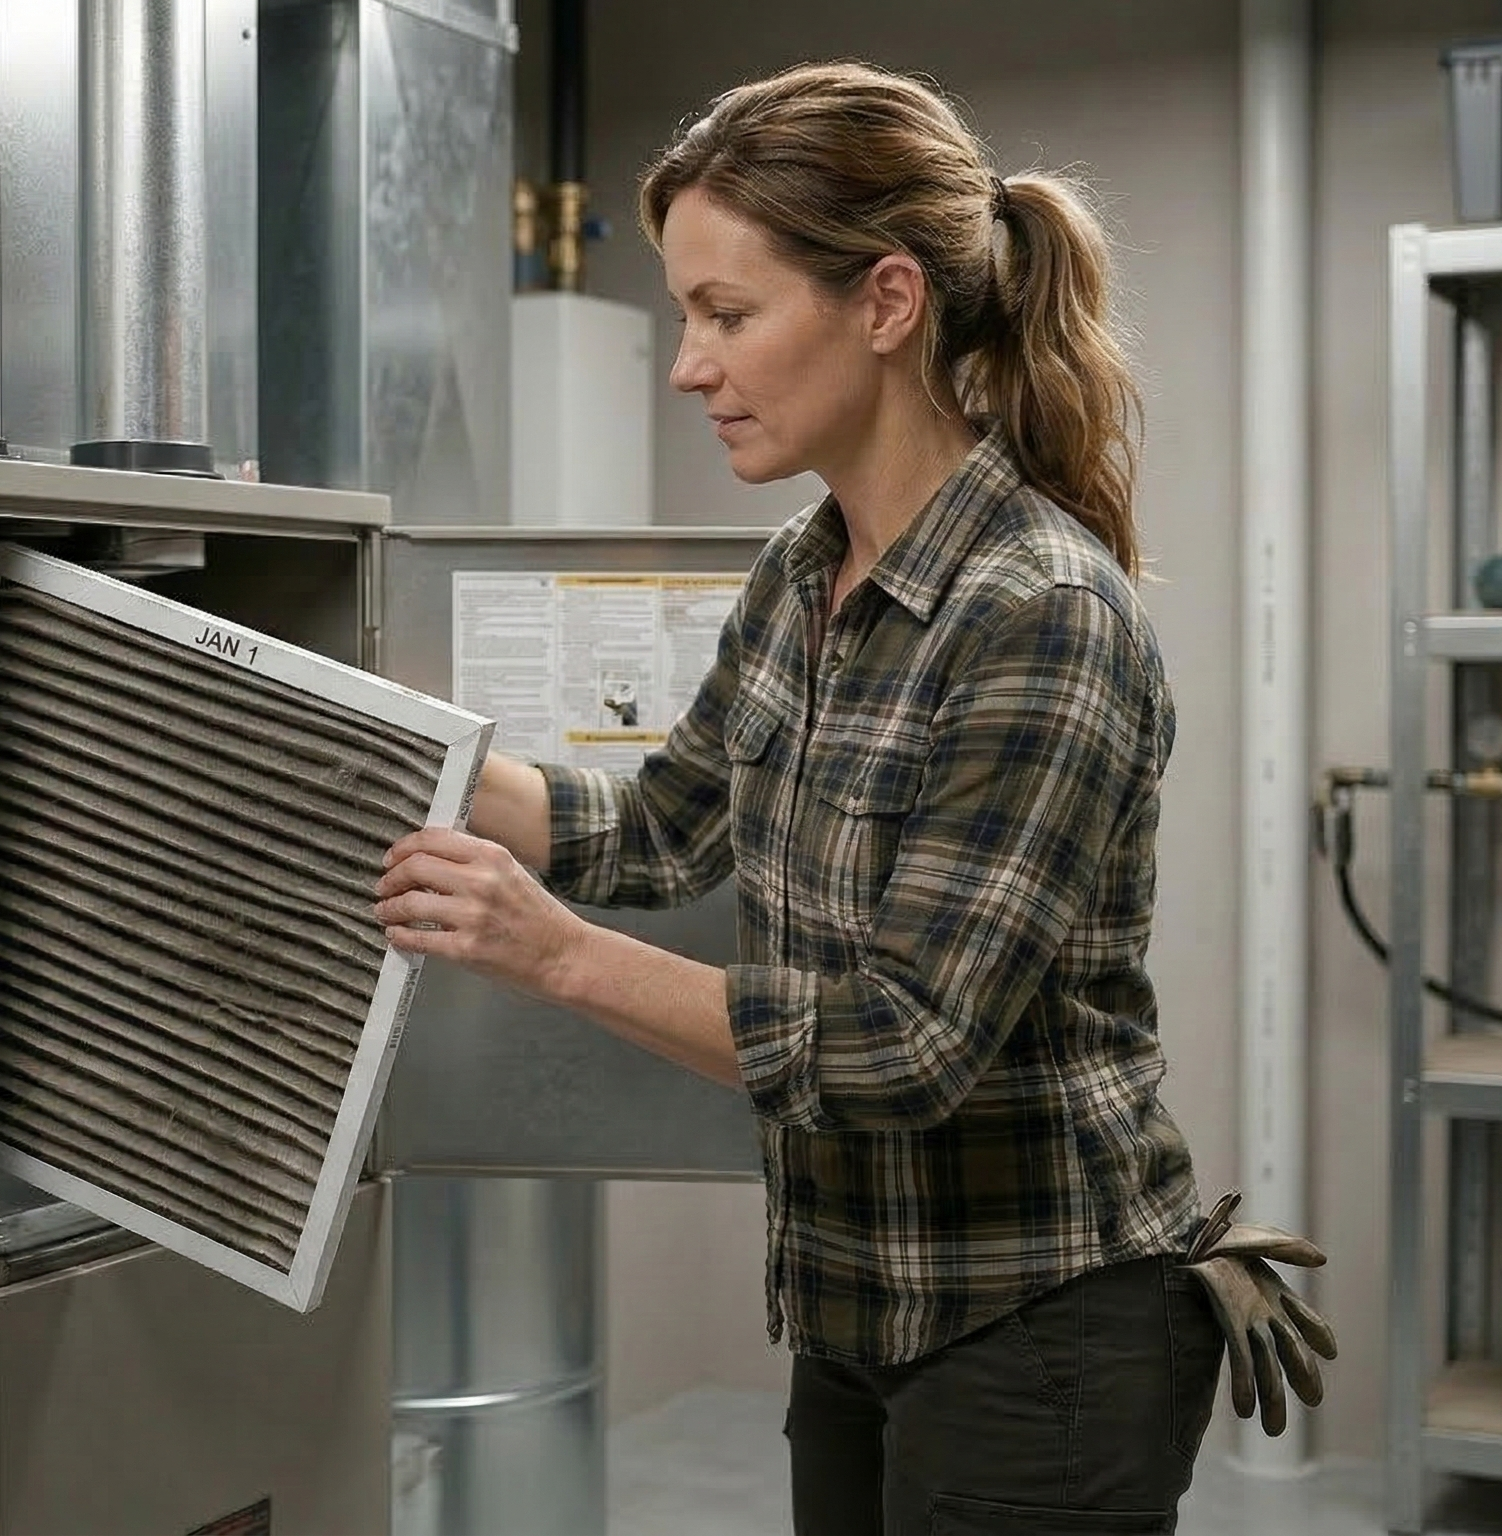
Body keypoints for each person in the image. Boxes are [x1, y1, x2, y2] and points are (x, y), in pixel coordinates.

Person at [374, 60, 1332, 1535]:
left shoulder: (1039, 611)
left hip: (1039, 1331)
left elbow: (906, 1047)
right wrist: (400, 752)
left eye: (726, 313)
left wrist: (549, 951)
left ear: (886, 303)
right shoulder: (804, 575)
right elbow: (658, 828)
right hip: (855, 1309)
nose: (687, 363)